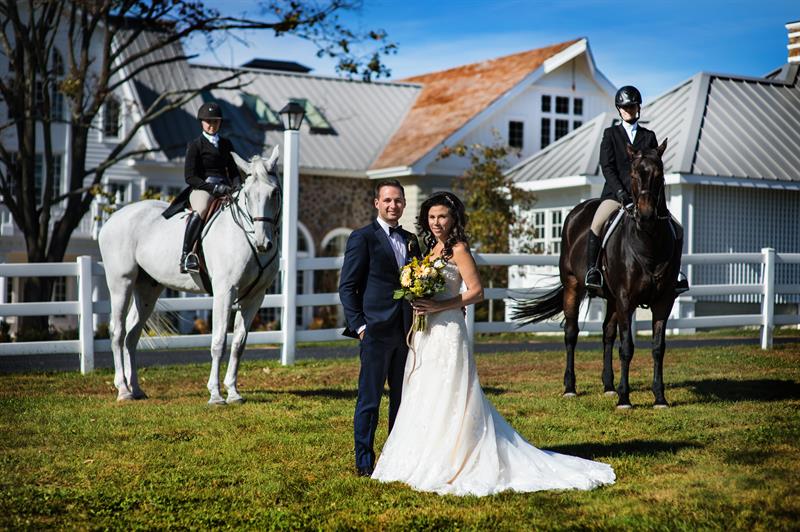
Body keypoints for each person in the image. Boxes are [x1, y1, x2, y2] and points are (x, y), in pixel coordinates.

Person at [371, 192, 616, 496]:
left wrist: (440, 305)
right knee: (425, 388)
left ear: (453, 219)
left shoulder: (458, 249)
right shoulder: (431, 249)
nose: (437, 223)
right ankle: (423, 450)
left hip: (448, 331)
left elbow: (476, 292)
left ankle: (458, 454)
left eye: (443, 217)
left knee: (451, 392)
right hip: (427, 331)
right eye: (432, 217)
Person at [338, 179, 422, 477]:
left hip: (406, 333)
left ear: (403, 203)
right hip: (374, 332)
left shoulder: (412, 239)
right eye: (387, 200)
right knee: (369, 399)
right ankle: (364, 461)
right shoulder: (362, 238)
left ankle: (396, 457)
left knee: (402, 400)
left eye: (398, 200)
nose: (393, 205)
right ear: (377, 203)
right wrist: (360, 326)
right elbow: (347, 287)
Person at [586, 85, 689, 294]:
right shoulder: (610, 134)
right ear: (619, 109)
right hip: (615, 195)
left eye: (632, 107)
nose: (629, 110)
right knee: (596, 224)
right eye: (624, 107)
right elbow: (607, 167)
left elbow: (652, 167)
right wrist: (622, 193)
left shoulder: (648, 136)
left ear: (638, 108)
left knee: (677, 228)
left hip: (644, 197)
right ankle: (593, 271)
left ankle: (676, 273)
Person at [163, 102, 240, 273]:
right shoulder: (195, 145)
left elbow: (234, 171)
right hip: (202, 188)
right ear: (202, 123)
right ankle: (186, 255)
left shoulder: (227, 144)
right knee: (202, 209)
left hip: (225, 188)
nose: (212, 125)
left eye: (216, 122)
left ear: (220, 123)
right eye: (208, 122)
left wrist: (237, 187)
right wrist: (212, 188)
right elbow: (190, 177)